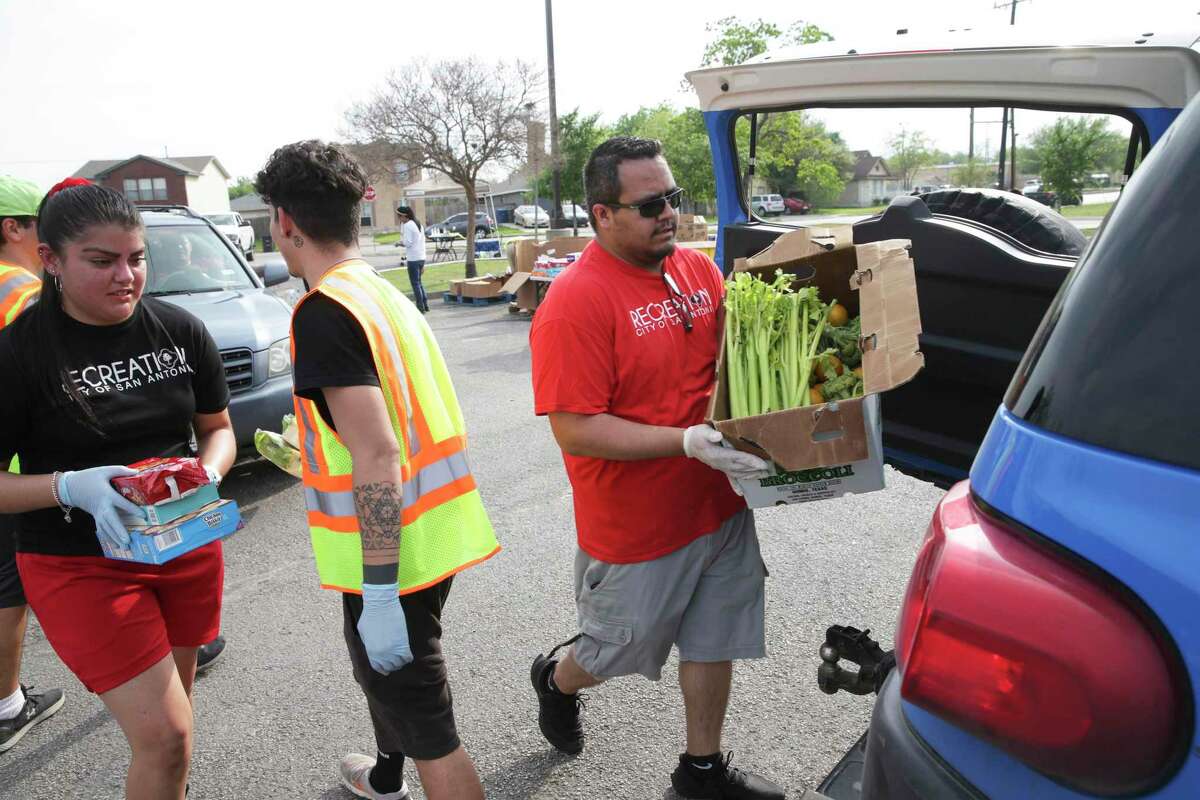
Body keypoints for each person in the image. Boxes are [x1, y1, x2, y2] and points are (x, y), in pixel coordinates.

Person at [527, 137, 785, 800]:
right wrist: (684, 442)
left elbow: (737, 364)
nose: (667, 212)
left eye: (671, 197)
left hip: (719, 505)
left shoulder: (699, 272)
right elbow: (574, 427)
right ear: (601, 215)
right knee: (616, 651)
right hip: (637, 528)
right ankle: (555, 677)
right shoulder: (575, 302)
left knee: (714, 636)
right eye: (648, 205)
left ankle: (700, 770)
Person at [255, 140, 499, 800]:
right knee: (383, 678)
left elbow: (377, 452)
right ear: (356, 212)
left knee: (428, 725)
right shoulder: (377, 291)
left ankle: (407, 766)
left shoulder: (325, 311)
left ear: (282, 220)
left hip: (391, 551)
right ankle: (386, 776)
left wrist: (383, 590)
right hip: (430, 530)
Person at [0, 180, 235, 799]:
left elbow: (218, 431)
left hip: (183, 546)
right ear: (50, 259)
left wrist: (205, 473)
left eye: (136, 257)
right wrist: (70, 486)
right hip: (79, 564)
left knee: (173, 723)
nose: (126, 276)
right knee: (168, 738)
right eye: (101, 262)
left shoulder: (180, 331)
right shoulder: (19, 353)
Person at [0, 175, 66, 753]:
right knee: (8, 587)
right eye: (39, 225)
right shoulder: (19, 290)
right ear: (12, 228)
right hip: (16, 467)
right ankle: (6, 706)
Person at [397, 206, 428, 313]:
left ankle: (420, 307)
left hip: (413, 258)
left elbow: (408, 243)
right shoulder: (418, 223)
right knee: (419, 282)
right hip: (421, 257)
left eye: (399, 216)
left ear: (404, 216)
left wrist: (399, 243)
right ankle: (425, 304)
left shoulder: (408, 225)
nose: (399, 219)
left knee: (415, 283)